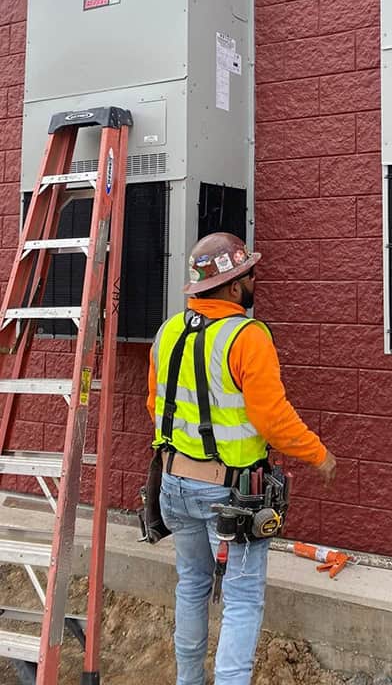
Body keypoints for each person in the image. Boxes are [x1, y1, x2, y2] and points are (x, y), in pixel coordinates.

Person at [147, 232, 337, 685]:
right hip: (230, 494)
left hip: (173, 484)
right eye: (250, 275)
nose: (255, 281)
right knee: (242, 598)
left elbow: (155, 407)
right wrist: (319, 455)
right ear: (234, 286)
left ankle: (188, 680)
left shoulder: (168, 331)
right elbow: (272, 419)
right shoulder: (249, 336)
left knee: (192, 586)